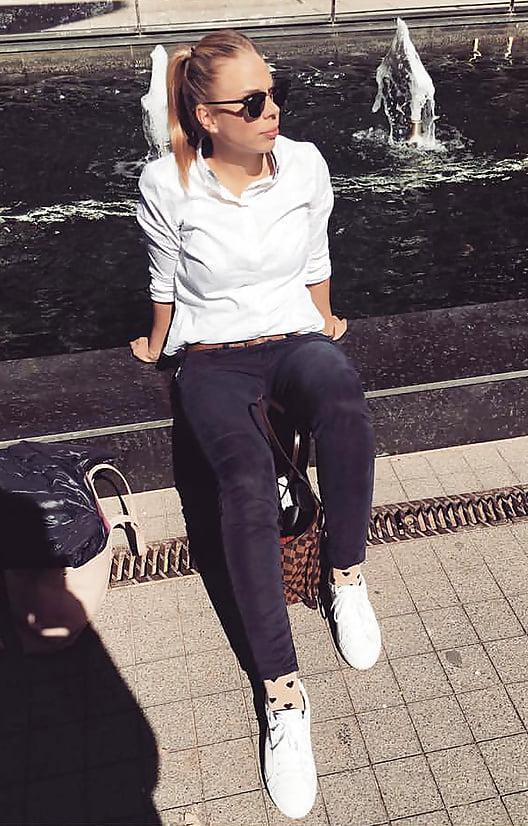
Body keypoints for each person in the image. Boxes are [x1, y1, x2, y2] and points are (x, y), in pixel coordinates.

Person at [130, 29, 381, 821]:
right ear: (208, 117)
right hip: (214, 357)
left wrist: (327, 321)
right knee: (242, 482)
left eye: (275, 94)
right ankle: (282, 691)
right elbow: (165, 278)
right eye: (252, 102)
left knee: (342, 400)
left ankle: (345, 575)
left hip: (293, 337)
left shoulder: (304, 165)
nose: (272, 110)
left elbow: (314, 259)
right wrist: (157, 342)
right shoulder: (167, 182)